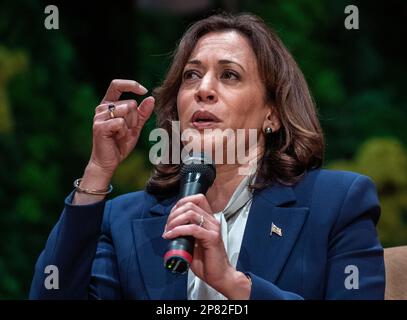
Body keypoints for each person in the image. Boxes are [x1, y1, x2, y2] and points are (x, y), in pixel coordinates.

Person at [29, 12, 385, 300]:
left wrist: (235, 284)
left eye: (229, 75)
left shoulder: (338, 203)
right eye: (191, 76)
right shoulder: (122, 219)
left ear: (272, 114)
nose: (203, 90)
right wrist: (98, 170)